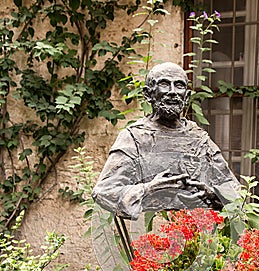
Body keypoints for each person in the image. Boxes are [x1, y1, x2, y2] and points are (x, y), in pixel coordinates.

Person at [92, 62, 240, 220]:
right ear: (148, 94)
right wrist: (149, 189)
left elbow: (235, 191)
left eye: (179, 85)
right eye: (164, 84)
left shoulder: (199, 139)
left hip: (193, 233)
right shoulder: (134, 137)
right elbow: (103, 192)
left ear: (187, 96)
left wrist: (211, 194)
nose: (172, 92)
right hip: (146, 233)